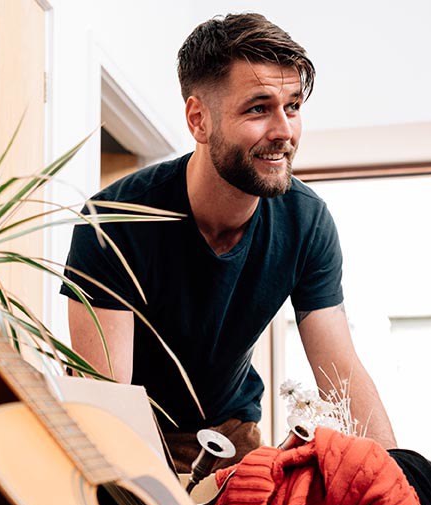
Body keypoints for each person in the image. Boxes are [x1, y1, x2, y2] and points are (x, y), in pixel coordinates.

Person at [60, 12, 396, 472]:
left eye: (293, 106)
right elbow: (109, 404)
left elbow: (341, 372)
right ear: (199, 120)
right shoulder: (113, 221)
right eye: (259, 108)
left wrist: (399, 479)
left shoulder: (306, 221)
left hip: (232, 433)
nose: (284, 131)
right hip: (135, 431)